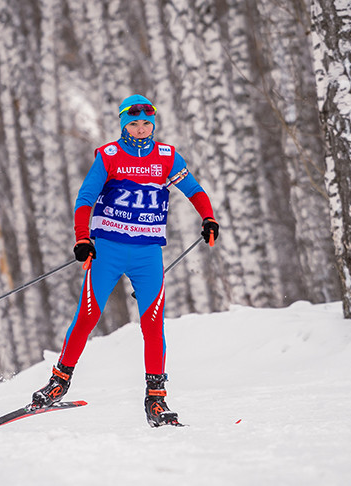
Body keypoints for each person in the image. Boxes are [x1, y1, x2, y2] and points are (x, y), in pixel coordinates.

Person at [30, 94, 219, 427]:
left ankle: (156, 400)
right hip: (109, 249)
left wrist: (208, 218)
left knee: (153, 324)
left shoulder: (167, 157)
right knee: (88, 315)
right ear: (122, 123)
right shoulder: (110, 156)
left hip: (148, 254)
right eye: (133, 123)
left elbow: (195, 191)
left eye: (147, 123)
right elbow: (85, 198)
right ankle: (59, 381)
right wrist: (82, 238)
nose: (141, 129)